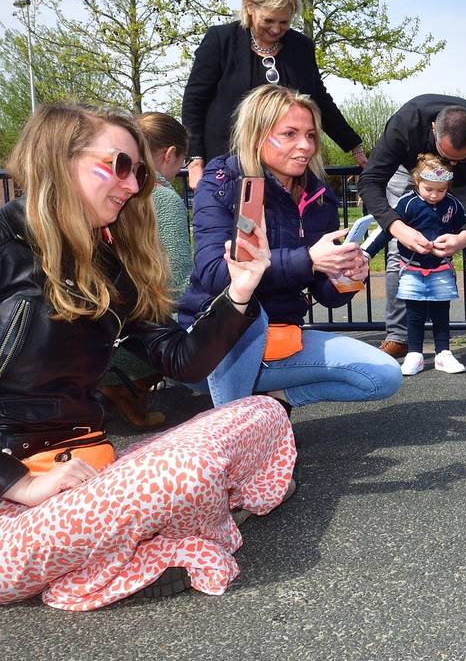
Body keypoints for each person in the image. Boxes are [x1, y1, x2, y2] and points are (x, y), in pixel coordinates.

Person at [0, 103, 294, 610]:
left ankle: (123, 545)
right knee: (189, 473)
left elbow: (181, 361)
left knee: (262, 413)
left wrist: (240, 293)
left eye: (138, 170)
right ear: (59, 160)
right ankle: (139, 548)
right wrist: (21, 482)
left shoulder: (108, 262)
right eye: (119, 165)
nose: (134, 186)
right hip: (15, 497)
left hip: (96, 475)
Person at [179, 84, 402, 409]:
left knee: (384, 375)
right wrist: (309, 260)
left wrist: (347, 277)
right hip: (211, 344)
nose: (305, 146)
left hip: (283, 339)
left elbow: (326, 296)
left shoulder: (319, 195)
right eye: (289, 134)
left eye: (311, 135)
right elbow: (216, 275)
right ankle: (238, 432)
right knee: (248, 314)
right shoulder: (222, 182)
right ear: (256, 135)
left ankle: (269, 403)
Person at [357, 95, 466, 371]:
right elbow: (370, 181)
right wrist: (397, 227)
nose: (450, 165)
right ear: (432, 130)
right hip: (411, 175)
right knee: (397, 252)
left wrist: (464, 237)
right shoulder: (406, 123)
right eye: (447, 156)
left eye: (459, 159)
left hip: (464, 188)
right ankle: (398, 337)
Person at [181, 0, 366, 190]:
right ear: (250, 7)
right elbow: (194, 102)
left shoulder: (302, 48)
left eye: (284, 22)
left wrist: (354, 146)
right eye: (268, 20)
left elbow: (319, 102)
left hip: (287, 172)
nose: (276, 29)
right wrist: (195, 161)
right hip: (229, 163)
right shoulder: (220, 40)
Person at [97, 112, 197, 429]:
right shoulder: (163, 198)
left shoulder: (105, 191)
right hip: (131, 322)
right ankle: (126, 381)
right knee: (198, 324)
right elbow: (177, 276)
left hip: (99, 320)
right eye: (181, 161)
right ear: (169, 154)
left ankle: (115, 377)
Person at [365, 153, 466, 376]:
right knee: (414, 313)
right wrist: (366, 253)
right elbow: (385, 230)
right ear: (417, 183)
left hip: (442, 268)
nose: (435, 196)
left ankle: (443, 353)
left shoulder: (453, 204)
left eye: (441, 190)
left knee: (441, 312)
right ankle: (414, 354)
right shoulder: (406, 203)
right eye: (429, 189)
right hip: (411, 268)